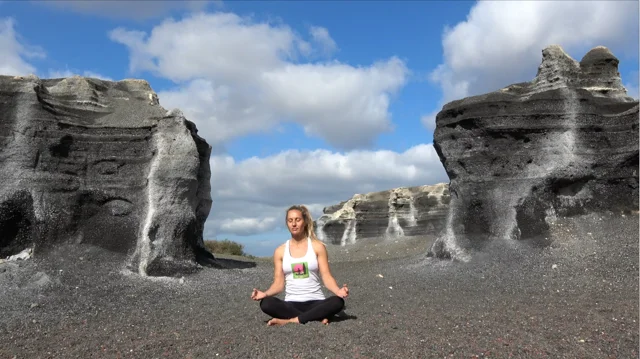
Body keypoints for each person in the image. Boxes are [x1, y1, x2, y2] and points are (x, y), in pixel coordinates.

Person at [251, 205, 349, 326]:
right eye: (290, 220)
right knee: (266, 303)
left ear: (305, 222)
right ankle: (316, 317)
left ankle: (291, 320)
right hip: (291, 303)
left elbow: (326, 276)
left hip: (316, 301)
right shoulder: (280, 251)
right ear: (287, 223)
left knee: (337, 302)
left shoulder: (318, 247)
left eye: (298, 220)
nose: (294, 224)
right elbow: (278, 284)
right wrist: (264, 294)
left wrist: (338, 291)